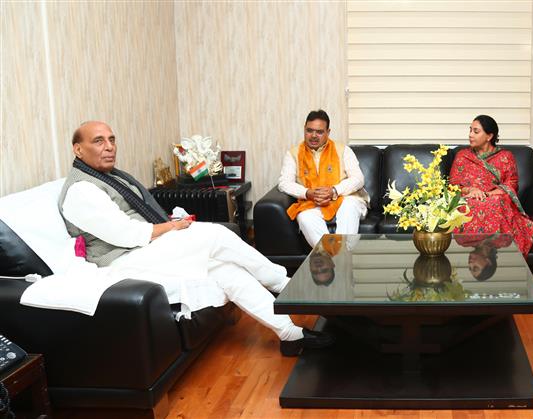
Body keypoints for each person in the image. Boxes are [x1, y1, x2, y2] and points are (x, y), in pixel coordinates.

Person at [58, 121, 332, 356]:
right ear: (78, 149)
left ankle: (289, 334)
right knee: (215, 235)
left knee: (226, 270)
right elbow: (128, 234)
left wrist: (171, 224)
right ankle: (286, 284)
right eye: (98, 141)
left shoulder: (110, 177)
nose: (109, 146)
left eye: (111, 139)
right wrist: (171, 227)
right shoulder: (82, 190)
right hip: (122, 260)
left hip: (146, 247)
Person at [449, 115, 533, 256]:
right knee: (466, 206)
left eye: (476, 131)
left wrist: (486, 194)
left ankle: (489, 251)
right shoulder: (462, 155)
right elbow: (452, 186)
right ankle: (477, 251)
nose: (470, 135)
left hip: (495, 198)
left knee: (495, 203)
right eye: (470, 130)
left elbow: (511, 185)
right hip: (468, 197)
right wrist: (471, 190)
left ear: (489, 136)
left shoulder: (505, 157)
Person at [279, 110, 369, 248]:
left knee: (349, 206)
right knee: (304, 217)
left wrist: (334, 190)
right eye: (309, 130)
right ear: (304, 129)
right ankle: (335, 258)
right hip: (313, 202)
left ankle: (341, 256)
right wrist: (307, 193)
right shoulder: (293, 154)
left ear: (328, 132)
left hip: (343, 199)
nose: (314, 136)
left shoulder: (342, 150)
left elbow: (358, 178)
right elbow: (284, 183)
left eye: (320, 132)